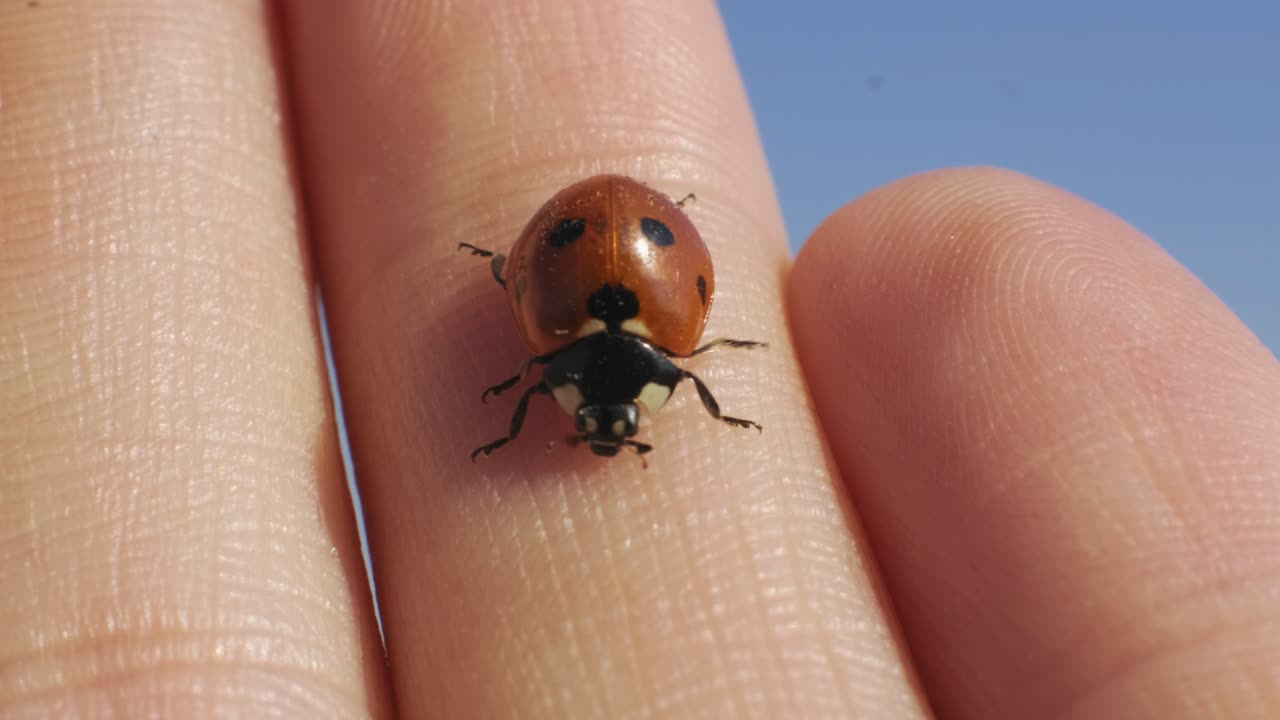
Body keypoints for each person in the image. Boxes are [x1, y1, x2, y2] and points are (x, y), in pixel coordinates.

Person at [2, 2, 1276, 718]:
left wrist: (527, 362)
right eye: (608, 420)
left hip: (592, 256)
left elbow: (553, 356)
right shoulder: (639, 336)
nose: (596, 425)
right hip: (614, 259)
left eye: (586, 416)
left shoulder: (569, 337)